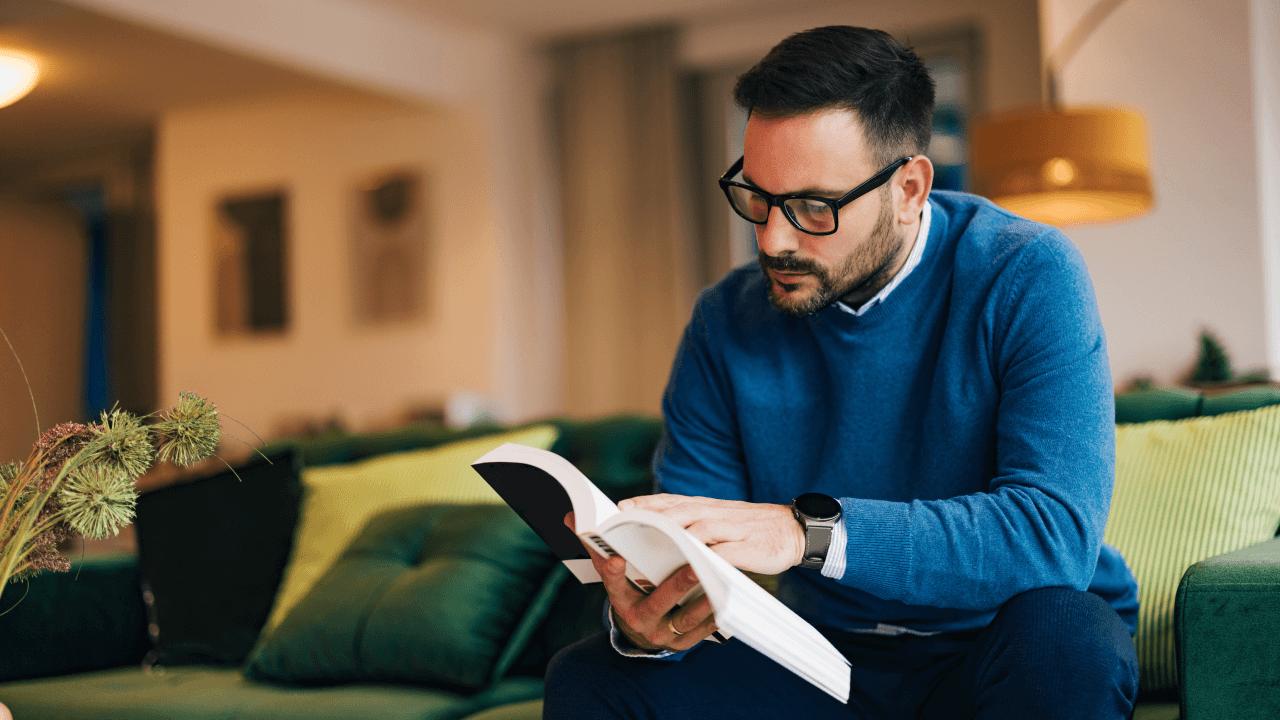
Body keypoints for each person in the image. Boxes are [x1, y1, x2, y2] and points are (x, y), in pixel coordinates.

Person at [544, 25, 1140, 719]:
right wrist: (650, 626)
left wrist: (806, 532)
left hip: (1003, 642)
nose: (773, 238)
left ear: (911, 188)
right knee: (595, 674)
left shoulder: (1027, 273)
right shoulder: (724, 321)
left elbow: (1050, 536)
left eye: (812, 207)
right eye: (757, 196)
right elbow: (693, 559)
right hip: (826, 657)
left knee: (1065, 639)